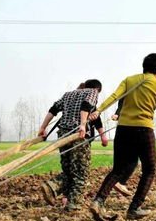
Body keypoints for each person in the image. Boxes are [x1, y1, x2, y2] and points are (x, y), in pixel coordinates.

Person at [89, 53, 156, 220]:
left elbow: (115, 97)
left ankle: (98, 201)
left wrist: (98, 110)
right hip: (144, 131)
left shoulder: (129, 80)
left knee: (118, 169)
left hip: (123, 130)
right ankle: (134, 208)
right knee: (149, 169)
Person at [39, 79, 107, 212]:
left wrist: (43, 127)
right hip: (78, 136)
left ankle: (52, 186)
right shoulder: (92, 92)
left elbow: (53, 109)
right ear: (98, 89)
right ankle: (73, 205)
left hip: (63, 135)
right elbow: (86, 106)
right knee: (81, 173)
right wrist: (82, 124)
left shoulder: (68, 95)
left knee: (69, 170)